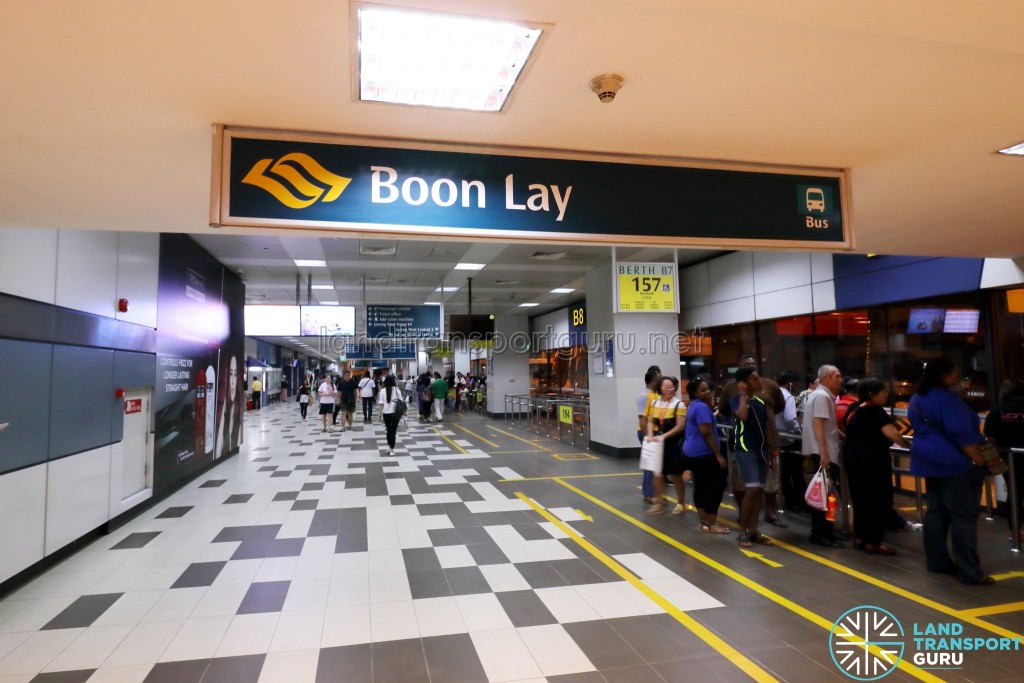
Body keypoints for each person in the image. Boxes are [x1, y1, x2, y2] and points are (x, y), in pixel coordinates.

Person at [909, 357, 993, 584]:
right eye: (954, 372)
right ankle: (969, 571)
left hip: (929, 462)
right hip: (956, 463)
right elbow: (961, 433)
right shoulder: (948, 400)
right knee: (963, 516)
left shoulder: (917, 398)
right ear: (944, 375)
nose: (957, 376)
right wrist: (979, 461)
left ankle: (937, 561)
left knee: (936, 512)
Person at [843, 377, 910, 555]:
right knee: (879, 501)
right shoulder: (875, 411)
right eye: (883, 392)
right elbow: (893, 435)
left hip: (853, 460)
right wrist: (910, 445)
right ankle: (874, 541)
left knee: (860, 500)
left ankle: (860, 538)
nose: (887, 395)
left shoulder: (853, 408)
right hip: (873, 462)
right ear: (872, 394)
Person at [801, 364, 846, 548]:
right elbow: (818, 423)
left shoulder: (822, 395)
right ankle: (820, 534)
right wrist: (824, 451)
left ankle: (828, 530)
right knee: (823, 496)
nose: (840, 379)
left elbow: (828, 426)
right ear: (826, 378)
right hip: (821, 454)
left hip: (821, 452)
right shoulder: (821, 396)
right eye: (837, 376)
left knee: (828, 495)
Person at [731, 368, 775, 548]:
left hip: (761, 450)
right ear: (744, 383)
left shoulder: (759, 402)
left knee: (759, 490)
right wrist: (742, 395)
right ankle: (742, 531)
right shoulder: (736, 400)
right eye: (755, 379)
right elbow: (742, 415)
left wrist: (773, 450)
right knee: (752, 488)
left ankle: (753, 530)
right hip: (745, 449)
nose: (760, 381)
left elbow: (766, 427)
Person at [684, 377, 730, 534]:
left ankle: (703, 522)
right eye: (703, 390)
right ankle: (711, 523)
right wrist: (718, 455)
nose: (708, 392)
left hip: (693, 452)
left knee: (701, 485)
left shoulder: (693, 406)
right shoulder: (702, 408)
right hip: (705, 452)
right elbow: (706, 432)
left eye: (708, 389)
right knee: (716, 485)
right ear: (695, 392)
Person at [984, 379, 1024, 542]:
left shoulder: (995, 412)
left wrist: (992, 465)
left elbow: (990, 441)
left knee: (1014, 494)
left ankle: (1015, 531)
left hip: (1009, 461)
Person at [644, 376, 687, 515]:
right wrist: (650, 434)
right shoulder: (655, 403)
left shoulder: (678, 405)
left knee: (675, 474)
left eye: (672, 387)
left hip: (673, 443)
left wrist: (664, 436)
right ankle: (659, 500)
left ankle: (681, 502)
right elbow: (651, 421)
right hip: (659, 442)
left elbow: (681, 426)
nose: (670, 389)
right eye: (666, 387)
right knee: (658, 473)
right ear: (660, 389)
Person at [776, 370, 805, 512]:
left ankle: (788, 501)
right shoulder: (788, 397)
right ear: (790, 383)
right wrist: (797, 429)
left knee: (784, 473)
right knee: (796, 472)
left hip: (778, 437)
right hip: (790, 438)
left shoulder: (773, 394)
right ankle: (800, 501)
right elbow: (790, 418)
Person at [637, 366, 661, 504]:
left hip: (654, 432)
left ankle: (652, 492)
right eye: (658, 378)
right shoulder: (644, 396)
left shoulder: (654, 394)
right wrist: (648, 436)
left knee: (653, 464)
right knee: (650, 464)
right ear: (653, 380)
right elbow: (642, 418)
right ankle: (648, 494)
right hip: (646, 433)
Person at [216, 354, 243, 459]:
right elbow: (217, 453)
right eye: (230, 374)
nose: (232, 381)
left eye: (235, 375)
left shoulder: (237, 412)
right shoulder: (224, 411)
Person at [377, 374, 404, 456]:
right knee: (393, 431)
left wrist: (380, 415)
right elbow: (401, 402)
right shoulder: (397, 390)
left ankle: (389, 447)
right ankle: (392, 449)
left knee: (389, 430)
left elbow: (381, 404)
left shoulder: (382, 391)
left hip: (386, 413)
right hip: (395, 414)